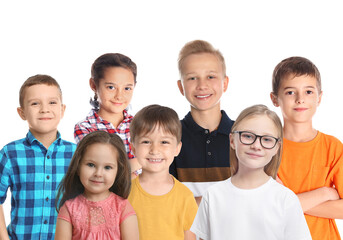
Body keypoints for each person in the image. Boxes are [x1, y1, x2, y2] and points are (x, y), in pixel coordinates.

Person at [191, 104, 311, 240]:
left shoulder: (285, 199)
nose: (256, 146)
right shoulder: (213, 196)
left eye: (266, 139)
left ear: (276, 148)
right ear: (232, 140)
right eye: (248, 136)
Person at [270, 56, 343, 240]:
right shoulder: (266, 148)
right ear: (275, 99)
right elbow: (269, 208)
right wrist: (324, 193)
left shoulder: (332, 147)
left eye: (309, 91)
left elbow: (282, 207)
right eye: (290, 92)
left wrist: (290, 204)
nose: (300, 99)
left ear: (319, 97)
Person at [0, 75, 76, 240]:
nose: (44, 109)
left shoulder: (77, 153)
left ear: (62, 110)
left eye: (52, 102)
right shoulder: (10, 153)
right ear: (22, 112)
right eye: (35, 103)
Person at [170, 40, 234, 205]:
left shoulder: (244, 136)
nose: (202, 85)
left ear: (225, 83)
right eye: (192, 78)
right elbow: (165, 201)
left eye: (210, 76)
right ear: (180, 86)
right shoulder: (169, 136)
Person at [128, 104, 198, 240]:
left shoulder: (185, 197)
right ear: (134, 148)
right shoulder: (125, 192)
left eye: (164, 142)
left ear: (177, 148)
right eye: (146, 141)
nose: (155, 150)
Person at [55, 131, 139, 240]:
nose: (98, 173)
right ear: (78, 166)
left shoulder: (122, 208)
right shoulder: (69, 209)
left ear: (118, 171)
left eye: (107, 167)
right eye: (91, 165)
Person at [74, 53, 141, 176]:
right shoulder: (85, 128)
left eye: (127, 88)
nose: (119, 96)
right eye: (111, 87)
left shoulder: (141, 125)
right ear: (94, 85)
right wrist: (142, 162)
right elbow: (103, 170)